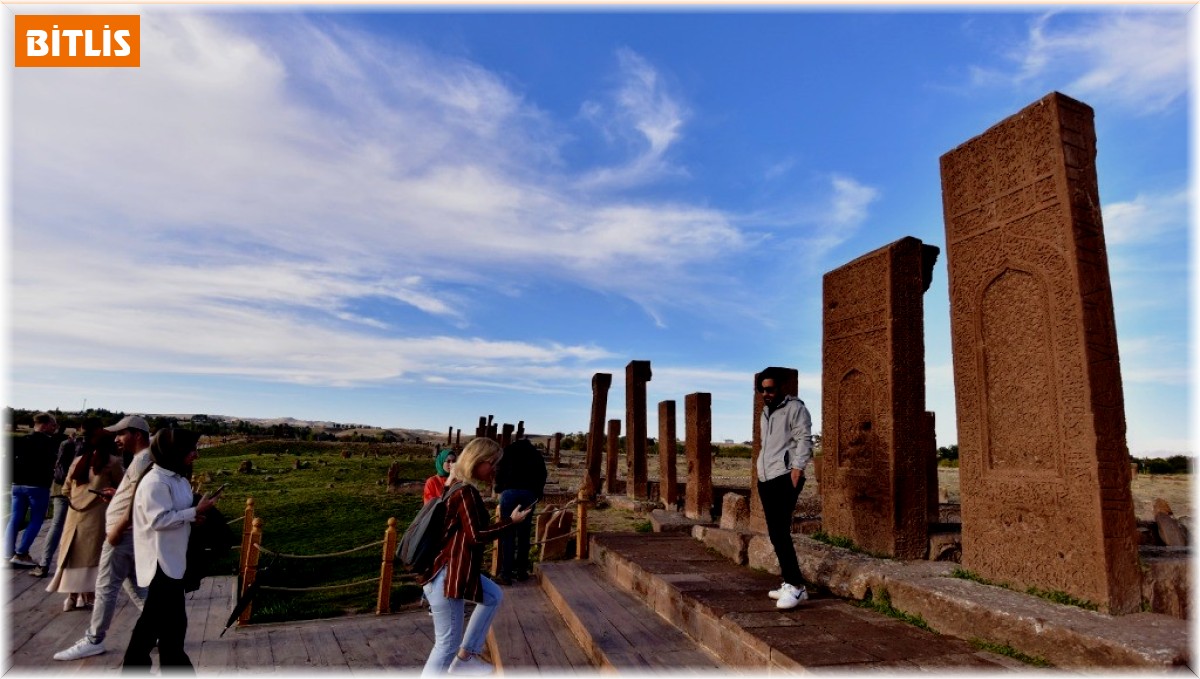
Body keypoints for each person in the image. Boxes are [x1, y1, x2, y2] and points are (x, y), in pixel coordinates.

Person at [420, 438, 532, 676]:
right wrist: (511, 522)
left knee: (493, 596)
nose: (494, 469)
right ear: (478, 461)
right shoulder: (466, 492)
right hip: (449, 576)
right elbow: (475, 536)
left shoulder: (453, 485)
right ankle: (460, 658)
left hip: (452, 569)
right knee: (445, 646)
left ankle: (465, 657)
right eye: (492, 463)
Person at [54, 415, 153, 661]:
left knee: (106, 587)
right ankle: (161, 631)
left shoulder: (143, 461)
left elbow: (140, 500)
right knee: (136, 588)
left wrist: (118, 529)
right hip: (126, 533)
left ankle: (93, 639)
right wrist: (117, 494)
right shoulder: (141, 459)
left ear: (137, 435)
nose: (117, 439)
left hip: (121, 534)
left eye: (121, 434)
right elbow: (133, 493)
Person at [122, 428, 214, 672]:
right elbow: (159, 520)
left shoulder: (178, 478)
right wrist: (195, 512)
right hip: (159, 563)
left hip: (173, 560)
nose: (195, 455)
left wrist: (196, 516)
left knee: (162, 626)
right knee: (160, 626)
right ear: (174, 452)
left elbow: (177, 513)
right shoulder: (155, 482)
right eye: (190, 450)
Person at [46, 431, 124, 611]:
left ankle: (71, 598)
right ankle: (89, 596)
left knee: (72, 555)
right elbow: (122, 489)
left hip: (74, 516)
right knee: (92, 556)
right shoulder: (113, 462)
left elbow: (65, 489)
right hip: (97, 515)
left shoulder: (78, 460)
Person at [756, 367, 813, 610]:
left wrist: (797, 468)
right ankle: (790, 584)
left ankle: (796, 586)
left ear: (781, 388)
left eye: (769, 389)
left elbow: (804, 438)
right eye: (762, 390)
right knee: (774, 532)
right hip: (766, 476)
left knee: (780, 531)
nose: (765, 394)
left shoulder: (795, 408)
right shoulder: (765, 413)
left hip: (785, 476)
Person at [33, 419, 103, 579]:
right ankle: (80, 569)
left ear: (80, 428)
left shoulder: (67, 444)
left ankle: (44, 564)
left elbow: (59, 468)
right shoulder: (98, 449)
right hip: (86, 493)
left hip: (62, 489)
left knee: (56, 526)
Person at [7, 412, 59, 567]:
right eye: (53, 425)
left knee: (14, 518)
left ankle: (6, 553)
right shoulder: (50, 443)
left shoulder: (21, 440)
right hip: (38, 486)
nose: (54, 428)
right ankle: (21, 554)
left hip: (17, 485)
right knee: (36, 519)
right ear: (46, 424)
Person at [494, 438, 547, 585]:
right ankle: (521, 572)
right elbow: (542, 474)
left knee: (507, 533)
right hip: (528, 494)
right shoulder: (535, 454)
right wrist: (538, 493)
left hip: (509, 492)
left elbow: (499, 470)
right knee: (524, 534)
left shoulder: (508, 451)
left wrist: (499, 488)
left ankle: (506, 574)